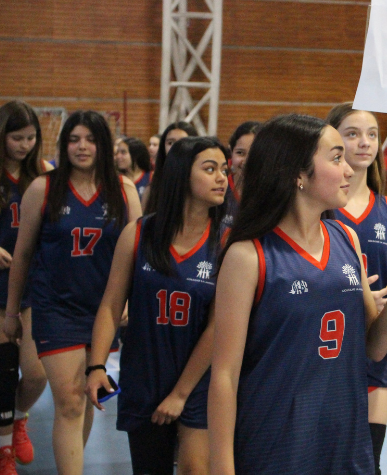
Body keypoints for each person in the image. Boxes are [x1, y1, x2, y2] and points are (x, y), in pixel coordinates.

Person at [208, 114, 387, 474]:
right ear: (297, 173)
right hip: (275, 445)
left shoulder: (346, 238)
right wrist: (221, 467)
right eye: (336, 157)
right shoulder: (248, 256)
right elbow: (224, 376)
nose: (349, 170)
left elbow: (372, 347)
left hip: (345, 440)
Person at [2, 111, 141, 475]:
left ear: (104, 145)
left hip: (103, 311)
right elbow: (22, 255)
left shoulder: (124, 190)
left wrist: (129, 301)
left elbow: (137, 255)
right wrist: (12, 312)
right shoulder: (43, 188)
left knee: (85, 396)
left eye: (91, 139)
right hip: (54, 308)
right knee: (68, 401)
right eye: (75, 139)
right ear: (64, 145)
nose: (82, 147)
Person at [86, 137, 229, 475]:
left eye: (224, 170)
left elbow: (218, 327)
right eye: (210, 169)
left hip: (200, 379)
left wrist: (180, 394)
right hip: (145, 374)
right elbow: (110, 306)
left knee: (196, 469)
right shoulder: (138, 234)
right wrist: (96, 366)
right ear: (181, 175)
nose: (222, 178)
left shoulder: (227, 242)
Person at [326, 103, 387, 475]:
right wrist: (355, 298)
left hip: (374, 355)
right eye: (353, 133)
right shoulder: (319, 207)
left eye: (372, 134)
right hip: (326, 352)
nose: (365, 142)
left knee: (369, 464)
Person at [0, 102, 52, 473]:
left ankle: (20, 417)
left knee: (36, 373)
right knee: (4, 372)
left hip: (33, 285)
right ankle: (4, 449)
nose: (24, 145)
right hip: (0, 283)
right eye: (17, 138)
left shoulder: (44, 173)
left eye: (31, 138)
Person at [143, 122, 198, 214]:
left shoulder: (202, 186)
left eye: (183, 142)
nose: (176, 147)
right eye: (170, 143)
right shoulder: (152, 190)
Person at [223, 122, 259, 228]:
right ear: (231, 152)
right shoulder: (219, 189)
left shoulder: (275, 195)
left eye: (254, 154)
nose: (247, 161)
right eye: (240, 153)